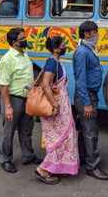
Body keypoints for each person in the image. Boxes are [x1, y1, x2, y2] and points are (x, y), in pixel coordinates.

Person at [35, 36, 79, 185]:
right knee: (59, 139)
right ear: (55, 49)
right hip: (56, 107)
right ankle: (44, 169)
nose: (65, 46)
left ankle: (56, 167)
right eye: (63, 45)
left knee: (65, 137)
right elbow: (45, 85)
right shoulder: (52, 63)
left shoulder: (56, 62)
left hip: (61, 105)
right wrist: (55, 104)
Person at [0, 28, 41, 173]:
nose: (25, 40)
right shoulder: (7, 59)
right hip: (13, 99)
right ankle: (5, 159)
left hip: (26, 98)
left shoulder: (24, 55)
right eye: (22, 38)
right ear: (14, 42)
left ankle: (28, 155)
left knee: (26, 129)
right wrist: (8, 106)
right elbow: (3, 85)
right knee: (8, 131)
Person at [73, 21, 108, 181]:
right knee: (91, 132)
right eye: (95, 32)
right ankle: (92, 167)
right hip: (86, 96)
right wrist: (87, 103)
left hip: (89, 94)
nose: (97, 36)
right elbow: (80, 80)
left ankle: (82, 158)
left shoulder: (88, 49)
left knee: (85, 131)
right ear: (87, 34)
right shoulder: (82, 52)